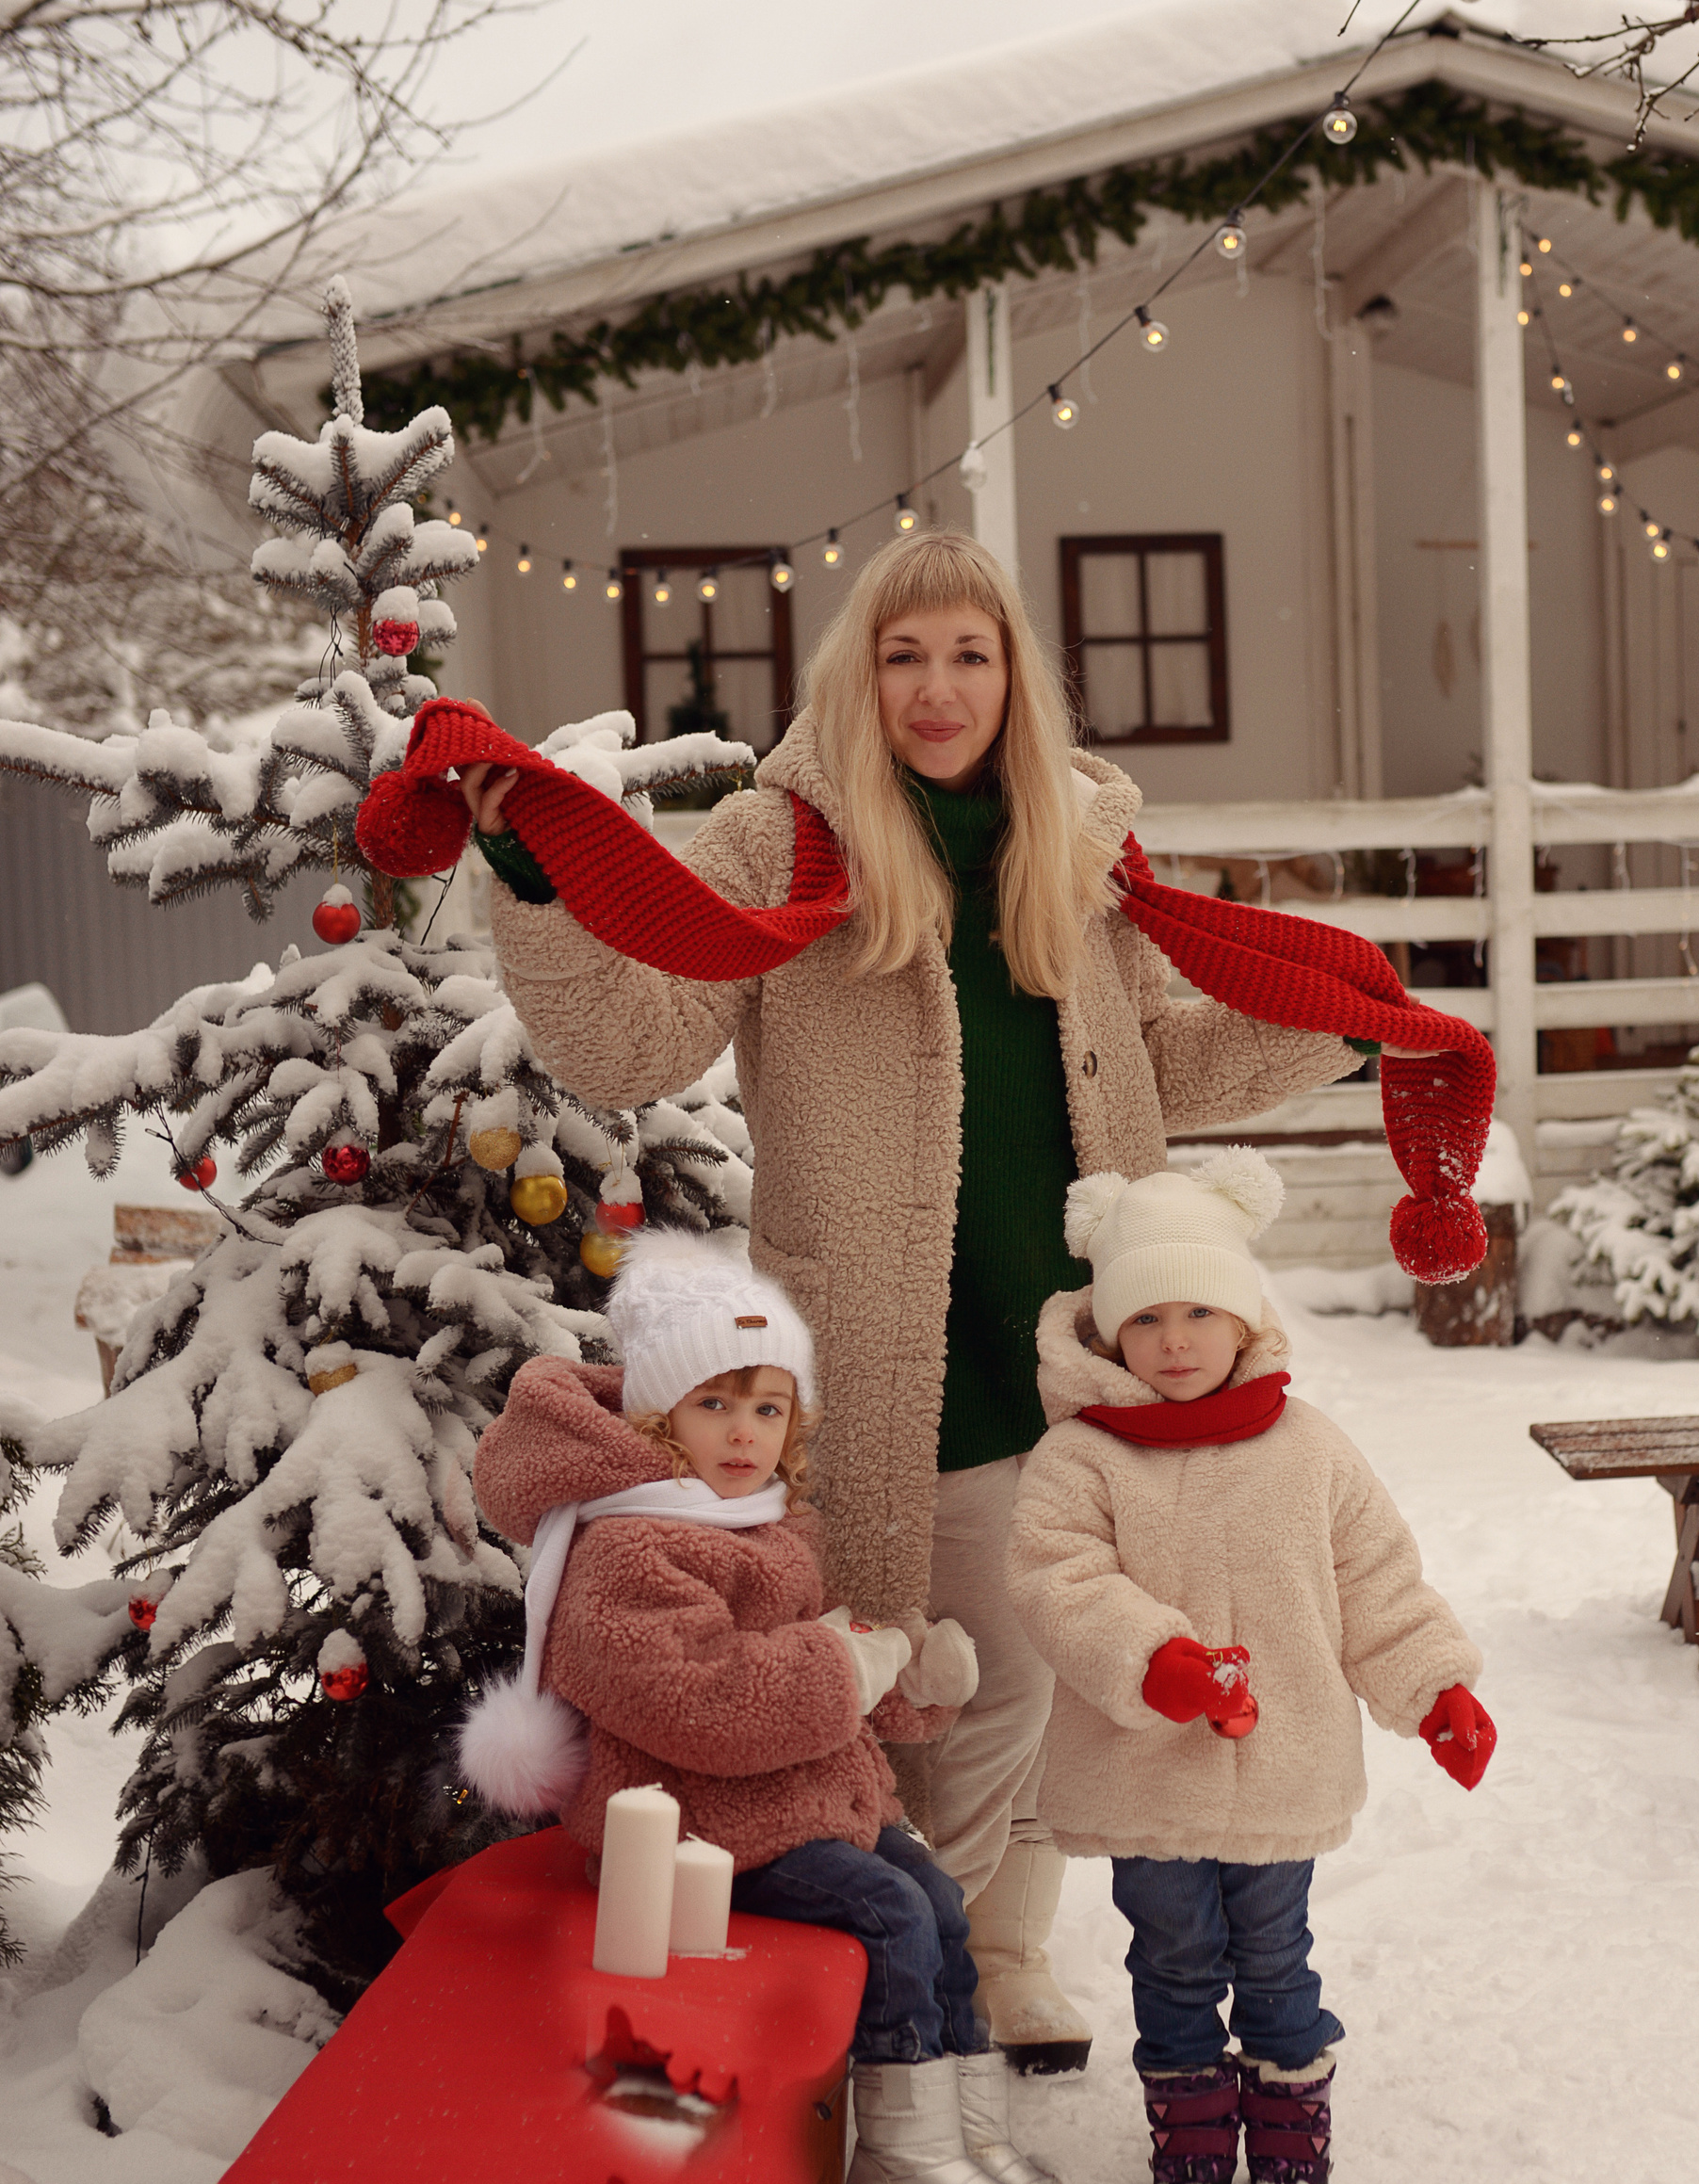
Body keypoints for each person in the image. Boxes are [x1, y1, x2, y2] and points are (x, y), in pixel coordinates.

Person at [458, 530, 1371, 2075]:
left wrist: (1338, 1026)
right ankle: (901, 1992)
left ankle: (993, 1958)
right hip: (904, 1353)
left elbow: (1158, 1068)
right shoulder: (786, 848)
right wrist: (538, 882)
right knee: (949, 1690)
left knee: (1053, 1675)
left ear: (1013, 674)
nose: (937, 688)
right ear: (857, 675)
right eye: (903, 657)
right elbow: (629, 1046)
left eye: (968, 655)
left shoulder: (1078, 852)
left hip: (1082, 1343)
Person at [464, 1227, 1070, 2184]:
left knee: (933, 1898)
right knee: (887, 1914)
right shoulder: (627, 1545)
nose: (742, 1433)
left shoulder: (779, 1522)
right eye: (713, 1404)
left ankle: (960, 2127)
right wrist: (844, 1668)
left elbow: (843, 1665)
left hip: (808, 1808)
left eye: (766, 1406)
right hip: (704, 1829)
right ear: (659, 1418)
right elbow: (696, 1701)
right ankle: (896, 2161)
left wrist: (912, 1680)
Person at [1004, 1151, 1498, 2184]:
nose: (1173, 1340)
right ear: (1109, 1333)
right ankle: (1188, 2160)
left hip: (1280, 1774)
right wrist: (1155, 1658)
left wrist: (1435, 1688)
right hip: (1152, 1779)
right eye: (1146, 1319)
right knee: (1173, 1962)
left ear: (1244, 1320)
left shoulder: (1309, 1448)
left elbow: (1376, 1580)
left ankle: (1285, 2158)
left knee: (1276, 1959)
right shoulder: (1079, 1459)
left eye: (1198, 1311)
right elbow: (1057, 1582)